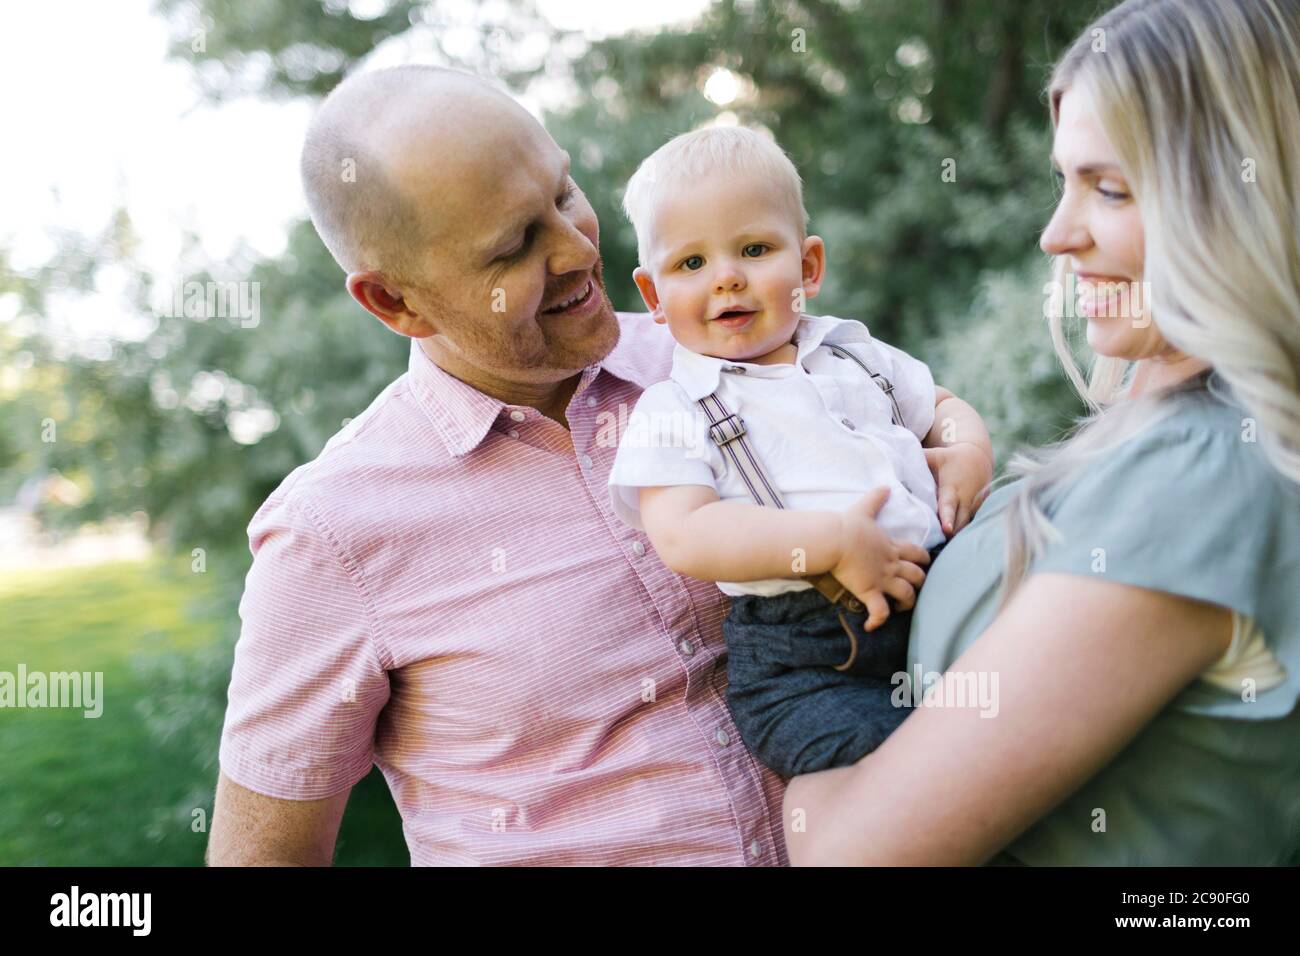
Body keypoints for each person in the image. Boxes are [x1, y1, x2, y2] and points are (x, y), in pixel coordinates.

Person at [207, 66, 789, 866]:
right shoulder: (331, 536)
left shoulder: (727, 358)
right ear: (394, 302)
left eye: (563, 193)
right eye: (515, 246)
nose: (579, 249)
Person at [783, 0, 1300, 865]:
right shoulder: (1151, 433)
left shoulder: (1202, 477)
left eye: (1110, 188)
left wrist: (772, 736)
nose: (1056, 235)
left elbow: (853, 853)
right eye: (1064, 181)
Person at [606, 126, 993, 777]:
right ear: (654, 300)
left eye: (754, 250)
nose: (727, 278)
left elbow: (944, 408)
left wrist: (966, 453)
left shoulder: (854, 352)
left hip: (938, 592)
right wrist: (831, 542)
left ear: (808, 266)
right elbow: (684, 533)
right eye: (692, 264)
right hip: (811, 659)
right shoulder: (675, 407)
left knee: (1017, 709)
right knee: (900, 769)